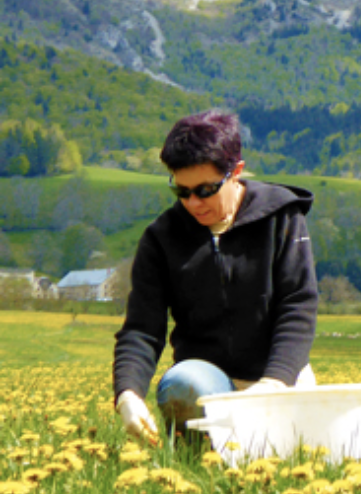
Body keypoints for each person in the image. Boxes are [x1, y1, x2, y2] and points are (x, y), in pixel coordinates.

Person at [113, 109, 318, 443]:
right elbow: (141, 329)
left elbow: (298, 305)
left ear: (235, 172)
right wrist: (128, 395)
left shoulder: (282, 218)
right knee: (183, 383)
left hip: (278, 378)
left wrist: (273, 383)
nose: (193, 203)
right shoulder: (161, 238)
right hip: (208, 385)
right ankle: (196, 454)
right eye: (181, 191)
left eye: (206, 190)